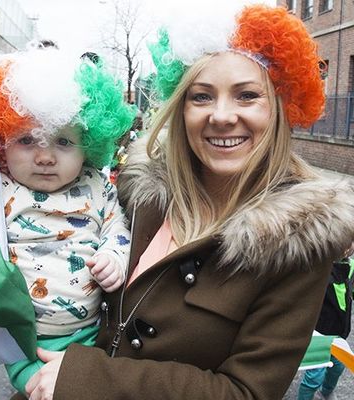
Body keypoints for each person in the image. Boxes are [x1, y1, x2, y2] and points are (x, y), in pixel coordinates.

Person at [21, 4, 354, 400]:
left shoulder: (300, 240)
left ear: (279, 108)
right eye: (201, 97)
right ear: (181, 108)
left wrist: (89, 379)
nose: (222, 115)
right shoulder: (138, 194)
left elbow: (246, 392)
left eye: (247, 95)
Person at [0, 48, 136, 395]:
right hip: (20, 338)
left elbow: (117, 228)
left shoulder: (96, 186)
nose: (46, 156)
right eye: (26, 140)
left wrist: (115, 256)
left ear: (89, 145)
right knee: (40, 391)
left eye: (64, 141)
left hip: (91, 331)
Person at [297, 247, 353, 400]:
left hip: (339, 333)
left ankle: (326, 393)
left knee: (338, 367)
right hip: (317, 334)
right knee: (314, 378)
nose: (348, 246)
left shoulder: (350, 266)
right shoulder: (316, 270)